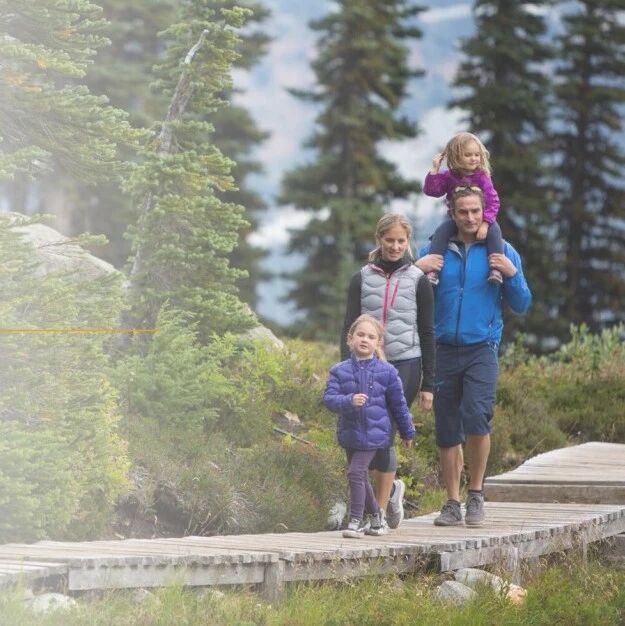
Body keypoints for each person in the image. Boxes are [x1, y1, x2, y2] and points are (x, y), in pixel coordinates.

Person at [416, 185, 531, 527]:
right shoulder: (432, 251)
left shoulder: (503, 250)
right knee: (446, 426)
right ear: (452, 213)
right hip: (441, 349)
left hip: (481, 347)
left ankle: (476, 493)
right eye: (462, 211)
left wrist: (511, 274)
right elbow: (405, 297)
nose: (469, 218)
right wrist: (416, 269)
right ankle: (452, 502)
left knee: (477, 417)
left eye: (475, 211)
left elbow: (522, 303)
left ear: (485, 212)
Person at [341, 214, 435, 532]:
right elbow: (348, 327)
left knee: (384, 434)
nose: (395, 246)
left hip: (405, 364)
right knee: (362, 434)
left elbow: (428, 331)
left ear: (408, 242)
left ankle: (377, 515)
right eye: (389, 240)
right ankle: (388, 492)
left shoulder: (419, 280)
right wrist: (345, 371)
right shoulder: (361, 278)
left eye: (401, 241)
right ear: (379, 239)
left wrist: (429, 383)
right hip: (366, 366)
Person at [324, 314, 416, 538]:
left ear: (378, 343)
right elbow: (329, 399)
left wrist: (407, 431)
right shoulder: (339, 370)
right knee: (360, 477)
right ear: (350, 339)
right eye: (361, 335)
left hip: (375, 435)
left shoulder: (388, 372)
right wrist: (349, 400)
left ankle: (355, 520)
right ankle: (376, 519)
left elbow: (399, 405)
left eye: (371, 337)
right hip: (350, 434)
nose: (365, 339)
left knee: (355, 472)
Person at [423, 131, 503, 285]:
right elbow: (432, 191)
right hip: (458, 220)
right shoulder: (448, 176)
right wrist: (434, 170)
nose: (474, 158)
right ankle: (433, 271)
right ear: (456, 157)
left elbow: (493, 201)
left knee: (495, 232)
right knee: (441, 232)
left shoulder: (482, 177)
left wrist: (486, 223)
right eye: (468, 155)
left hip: (483, 219)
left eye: (476, 155)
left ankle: (496, 270)